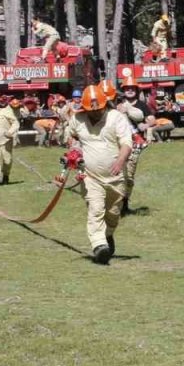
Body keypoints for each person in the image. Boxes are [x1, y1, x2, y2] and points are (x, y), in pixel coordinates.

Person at [67, 84, 134, 264]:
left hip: (116, 177)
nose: (94, 113)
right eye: (90, 110)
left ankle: (107, 235)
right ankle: (99, 246)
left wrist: (120, 161)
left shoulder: (116, 118)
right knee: (95, 209)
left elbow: (127, 143)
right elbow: (70, 136)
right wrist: (74, 151)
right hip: (90, 176)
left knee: (113, 213)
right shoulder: (78, 119)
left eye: (98, 109)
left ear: (105, 104)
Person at [115, 77, 151, 214]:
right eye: (127, 88)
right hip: (118, 142)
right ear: (123, 90)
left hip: (135, 143)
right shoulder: (116, 104)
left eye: (132, 88)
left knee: (129, 175)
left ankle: (124, 205)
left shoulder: (141, 105)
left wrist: (145, 125)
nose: (129, 90)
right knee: (116, 174)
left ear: (136, 90)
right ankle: (114, 204)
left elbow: (150, 119)